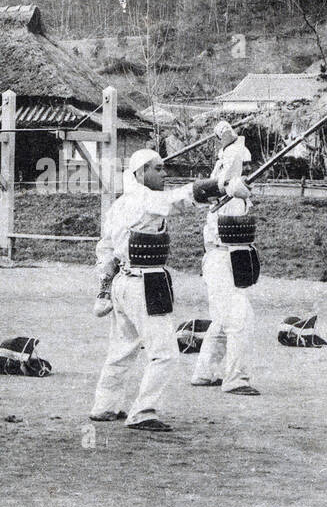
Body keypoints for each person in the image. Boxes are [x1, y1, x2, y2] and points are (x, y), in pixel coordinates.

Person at [90, 149, 249, 431]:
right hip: (145, 284)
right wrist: (222, 185)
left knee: (122, 349)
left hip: (123, 283)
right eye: (159, 169)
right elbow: (179, 200)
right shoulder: (144, 199)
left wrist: (105, 285)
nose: (165, 174)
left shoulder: (122, 203)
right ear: (140, 173)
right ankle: (143, 412)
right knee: (164, 354)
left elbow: (104, 248)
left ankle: (104, 405)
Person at [189, 121, 260, 395]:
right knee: (240, 318)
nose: (248, 168)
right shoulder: (224, 194)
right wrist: (232, 188)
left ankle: (204, 373)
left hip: (233, 258)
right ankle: (236, 380)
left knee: (222, 320)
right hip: (221, 259)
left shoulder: (237, 193)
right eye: (244, 164)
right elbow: (223, 175)